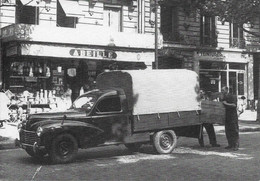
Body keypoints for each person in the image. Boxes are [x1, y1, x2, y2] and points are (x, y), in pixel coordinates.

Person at [221, 86, 239, 151]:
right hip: (227, 116)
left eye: (223, 90)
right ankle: (230, 144)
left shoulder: (232, 96)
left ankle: (236, 145)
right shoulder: (224, 97)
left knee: (234, 131)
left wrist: (226, 103)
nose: (222, 91)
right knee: (228, 131)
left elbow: (234, 105)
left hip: (233, 116)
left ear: (226, 90)